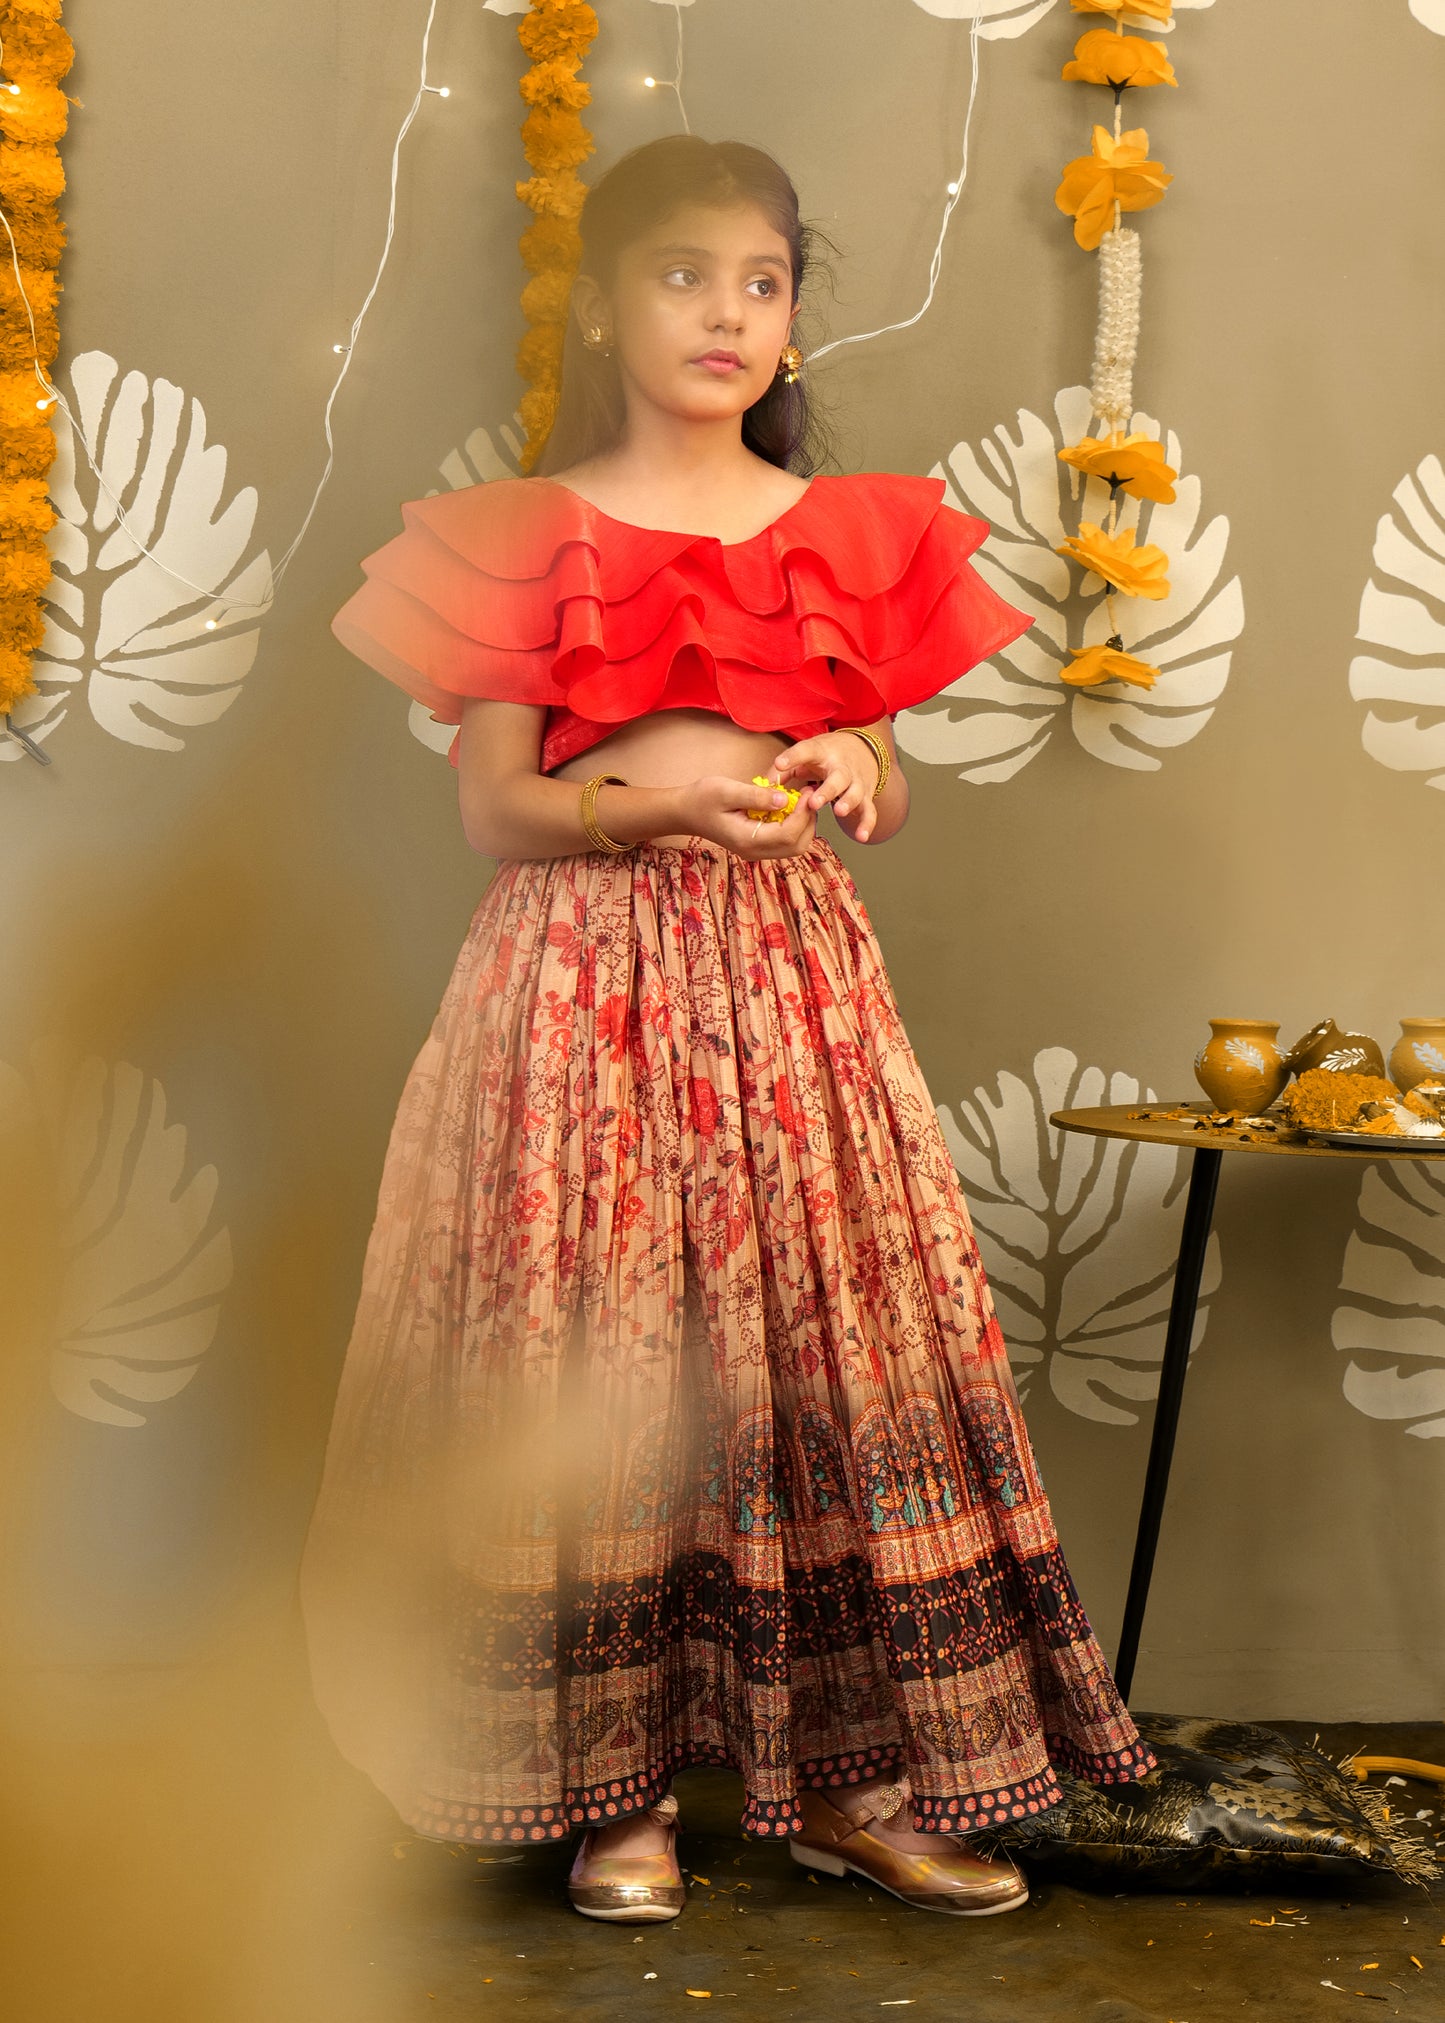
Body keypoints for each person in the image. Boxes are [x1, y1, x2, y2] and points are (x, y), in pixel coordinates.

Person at [300, 133, 1154, 1928]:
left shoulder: (848, 532)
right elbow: (494, 814)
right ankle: (614, 1796)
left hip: (791, 989)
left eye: (760, 282)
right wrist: (654, 815)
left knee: (822, 1358)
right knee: (601, 1363)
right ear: (607, 307)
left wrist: (859, 762)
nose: (725, 312)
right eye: (683, 274)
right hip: (578, 985)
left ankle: (854, 1783)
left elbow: (886, 788)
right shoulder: (523, 534)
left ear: (787, 318)